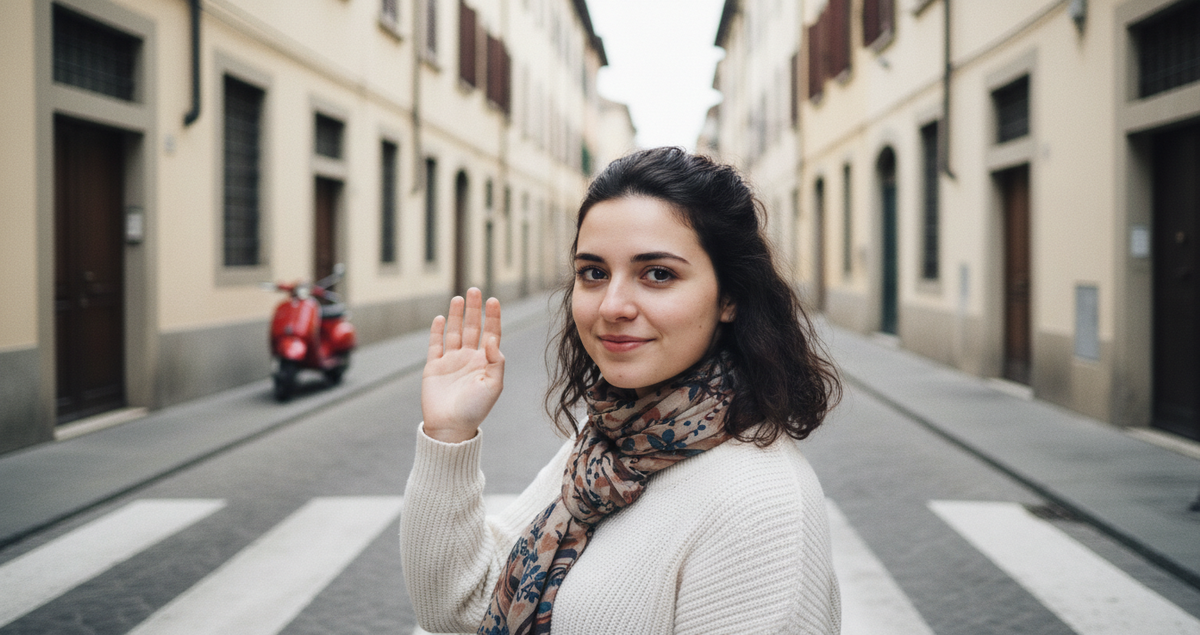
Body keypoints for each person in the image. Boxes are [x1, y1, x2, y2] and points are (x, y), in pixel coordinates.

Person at [401, 147, 842, 635]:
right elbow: (462, 608)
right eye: (594, 273)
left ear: (730, 297)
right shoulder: (607, 445)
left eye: (658, 274)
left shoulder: (760, 504)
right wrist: (449, 434)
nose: (612, 305)